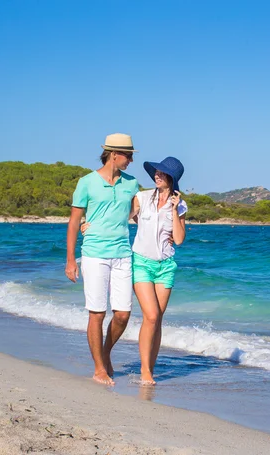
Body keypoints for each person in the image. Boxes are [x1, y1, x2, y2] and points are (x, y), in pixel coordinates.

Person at [65, 133, 139, 386]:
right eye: (128, 155)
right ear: (113, 154)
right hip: (94, 254)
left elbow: (135, 211)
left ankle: (105, 353)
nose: (130, 160)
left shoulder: (131, 183)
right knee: (97, 313)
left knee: (122, 315)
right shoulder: (86, 182)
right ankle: (99, 368)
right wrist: (71, 260)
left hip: (123, 254)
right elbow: (75, 221)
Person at [130, 156, 186, 384]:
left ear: (172, 178)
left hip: (166, 266)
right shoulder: (141, 198)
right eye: (156, 172)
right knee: (151, 315)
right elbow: (122, 217)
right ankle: (145, 371)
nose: (157, 175)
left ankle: (149, 367)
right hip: (141, 262)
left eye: (162, 173)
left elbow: (180, 240)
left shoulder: (180, 205)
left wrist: (173, 210)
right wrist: (89, 222)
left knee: (157, 319)